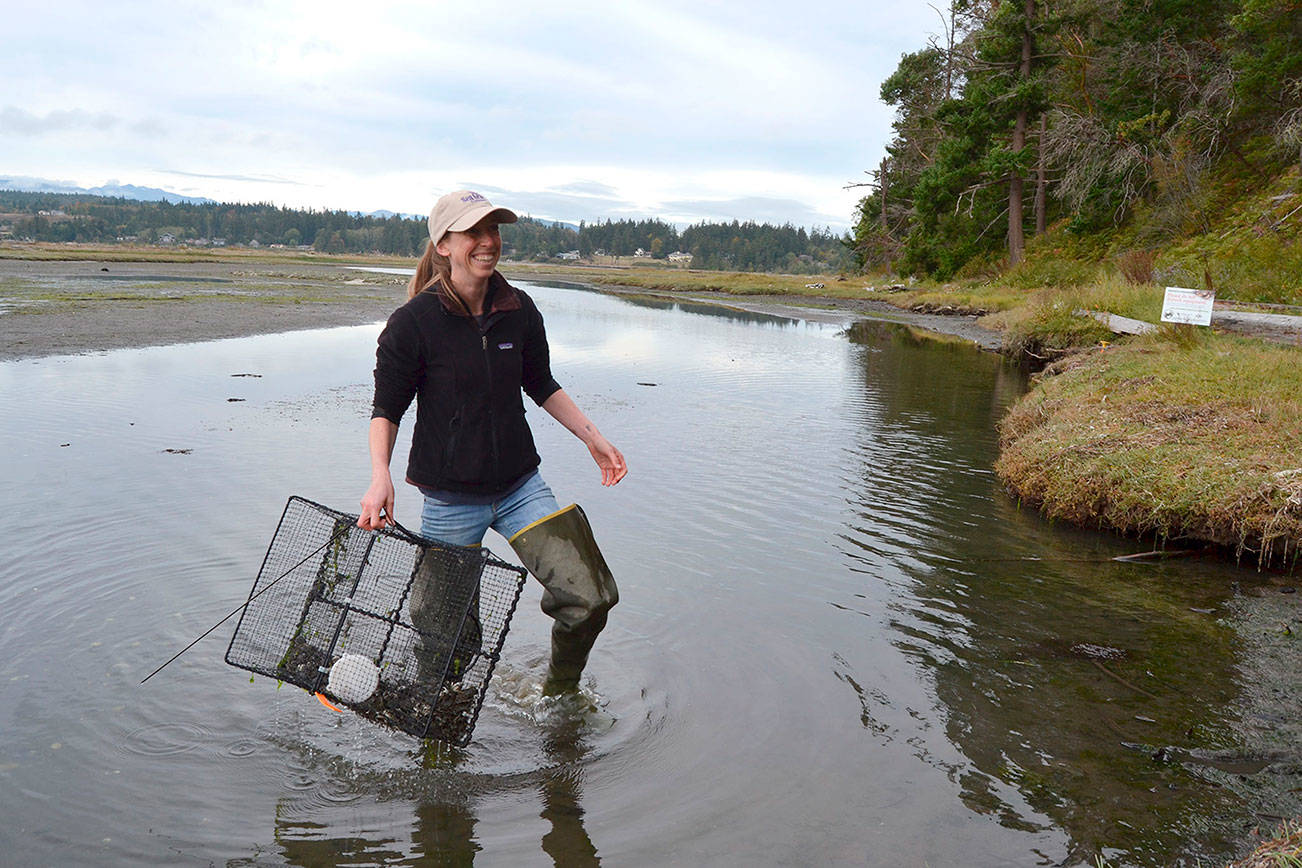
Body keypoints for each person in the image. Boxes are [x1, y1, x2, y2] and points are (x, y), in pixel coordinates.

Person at [358, 189, 625, 695]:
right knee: (445, 645)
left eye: (494, 230)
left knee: (588, 598)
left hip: (521, 487)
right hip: (450, 500)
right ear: (443, 245)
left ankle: (558, 698)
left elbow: (541, 382)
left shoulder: (519, 310)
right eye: (473, 233)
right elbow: (386, 409)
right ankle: (442, 738)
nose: (488, 242)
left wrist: (595, 440)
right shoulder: (413, 324)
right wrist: (380, 475)